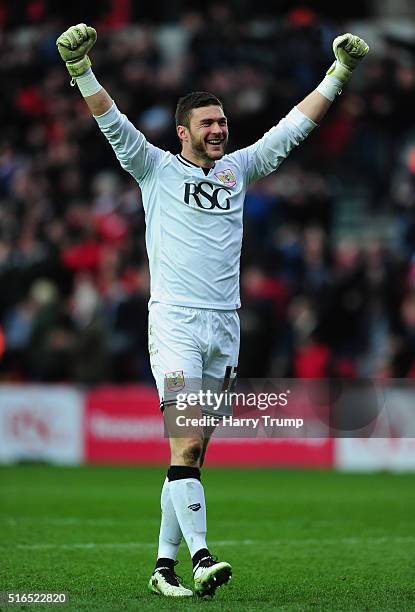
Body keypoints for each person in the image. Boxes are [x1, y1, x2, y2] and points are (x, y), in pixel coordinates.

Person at [56, 24, 369, 599]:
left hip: (224, 326)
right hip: (174, 321)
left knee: (192, 454)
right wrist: (81, 70)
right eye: (209, 123)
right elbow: (110, 121)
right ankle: (201, 558)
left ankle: (162, 568)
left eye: (223, 122)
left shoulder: (238, 171)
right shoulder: (153, 168)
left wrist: (339, 73)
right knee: (186, 443)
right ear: (184, 133)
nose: (221, 129)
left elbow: (295, 128)